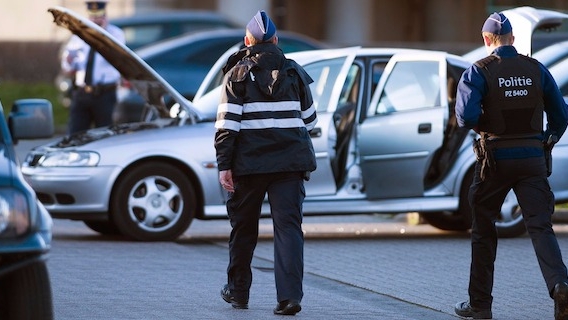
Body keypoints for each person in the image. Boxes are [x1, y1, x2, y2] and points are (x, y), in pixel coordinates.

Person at [454, 12, 568, 320]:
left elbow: (465, 116)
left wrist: (488, 125)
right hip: (532, 160)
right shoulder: (536, 69)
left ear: (486, 40)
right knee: (541, 226)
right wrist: (547, 139)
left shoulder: (479, 71)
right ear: (513, 40)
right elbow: (561, 115)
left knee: (483, 229)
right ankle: (560, 285)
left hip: (494, 160)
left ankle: (480, 305)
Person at [214, 10, 317, 316]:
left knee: (244, 229)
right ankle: (289, 299)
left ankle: (239, 293)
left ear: (248, 40)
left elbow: (226, 127)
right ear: (275, 40)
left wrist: (224, 166)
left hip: (250, 167)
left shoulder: (236, 75)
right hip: (289, 166)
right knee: (288, 229)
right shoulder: (294, 71)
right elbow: (309, 121)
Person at [60, 0, 124, 134]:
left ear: (105, 14)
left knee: (103, 134)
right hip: (82, 93)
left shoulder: (115, 34)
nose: (95, 20)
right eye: (93, 17)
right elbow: (69, 61)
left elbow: (115, 57)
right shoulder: (79, 36)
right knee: (74, 134)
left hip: (104, 93)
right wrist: (69, 63)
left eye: (99, 16)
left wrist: (101, 32)